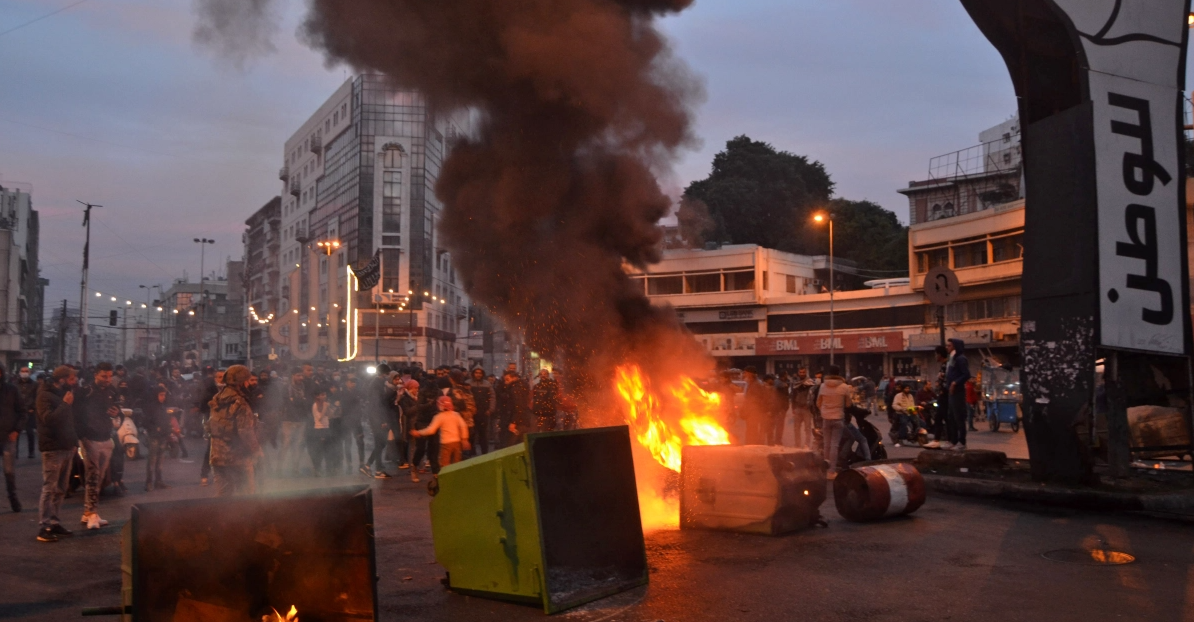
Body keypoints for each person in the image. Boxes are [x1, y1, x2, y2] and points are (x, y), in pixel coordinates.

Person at [35, 366, 78, 542]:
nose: (74, 382)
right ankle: (44, 527)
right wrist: (65, 404)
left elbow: (69, 420)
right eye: (71, 379)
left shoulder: (63, 393)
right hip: (53, 448)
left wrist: (74, 442)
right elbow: (49, 419)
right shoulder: (44, 395)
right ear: (61, 379)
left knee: (61, 489)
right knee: (50, 488)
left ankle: (54, 522)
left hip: (67, 446)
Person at [206, 365, 262, 496]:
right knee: (246, 497)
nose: (249, 383)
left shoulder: (217, 399)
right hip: (237, 458)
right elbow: (245, 432)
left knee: (223, 497)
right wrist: (256, 450)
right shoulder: (240, 403)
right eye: (247, 380)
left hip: (217, 456)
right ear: (241, 382)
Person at [77, 362, 119, 529]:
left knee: (99, 478)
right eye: (104, 376)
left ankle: (88, 512)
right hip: (90, 439)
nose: (107, 380)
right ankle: (92, 513)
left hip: (106, 438)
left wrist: (117, 414)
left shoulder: (112, 391)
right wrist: (81, 436)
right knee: (93, 476)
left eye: (109, 376)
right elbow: (77, 415)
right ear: (96, 375)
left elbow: (118, 412)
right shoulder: (85, 392)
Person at [411, 396, 471, 470]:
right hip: (457, 443)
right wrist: (465, 439)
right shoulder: (456, 415)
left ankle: (445, 480)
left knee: (444, 465)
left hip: (446, 444)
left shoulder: (439, 417)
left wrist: (419, 432)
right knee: (457, 464)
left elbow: (431, 430)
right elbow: (463, 426)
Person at [0, 364, 27, 512]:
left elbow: (22, 412)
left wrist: (17, 430)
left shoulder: (11, 390)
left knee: (9, 472)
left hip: (8, 437)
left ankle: (13, 500)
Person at [815, 365, 852, 473]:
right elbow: (849, 404)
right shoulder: (844, 387)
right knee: (834, 445)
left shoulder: (823, 386)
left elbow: (818, 403)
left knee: (826, 444)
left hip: (826, 418)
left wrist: (825, 409)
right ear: (839, 373)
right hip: (838, 418)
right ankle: (832, 470)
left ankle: (825, 469)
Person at [142, 387, 172, 491]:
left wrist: (168, 430)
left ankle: (158, 481)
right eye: (161, 395)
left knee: (160, 461)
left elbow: (166, 420)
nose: (163, 397)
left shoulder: (163, 406)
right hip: (154, 437)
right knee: (152, 461)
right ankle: (149, 482)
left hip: (163, 437)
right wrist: (155, 429)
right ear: (156, 395)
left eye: (164, 395)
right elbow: (145, 422)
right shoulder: (150, 407)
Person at [279, 371, 309, 477]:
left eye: (301, 375)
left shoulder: (304, 387)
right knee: (286, 444)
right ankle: (279, 468)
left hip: (301, 419)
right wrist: (298, 401)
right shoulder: (286, 388)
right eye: (298, 375)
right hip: (288, 419)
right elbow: (287, 402)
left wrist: (297, 401)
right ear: (292, 376)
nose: (300, 377)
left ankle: (295, 468)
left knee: (297, 445)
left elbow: (305, 402)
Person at [945, 338, 972, 451]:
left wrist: (955, 383)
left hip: (958, 392)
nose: (947, 347)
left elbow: (966, 374)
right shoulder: (952, 358)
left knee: (959, 417)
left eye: (950, 345)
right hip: (951, 392)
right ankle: (954, 441)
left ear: (955, 347)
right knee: (951, 417)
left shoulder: (960, 359)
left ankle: (962, 442)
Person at [495, 370, 532, 448]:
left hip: (518, 422)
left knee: (510, 446)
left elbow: (518, 406)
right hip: (523, 421)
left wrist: (514, 422)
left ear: (514, 378)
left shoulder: (515, 389)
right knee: (521, 445)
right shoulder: (521, 386)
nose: (505, 382)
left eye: (507, 379)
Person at [307, 388, 335, 476]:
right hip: (319, 429)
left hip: (326, 428)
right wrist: (325, 407)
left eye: (325, 395)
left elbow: (330, 416)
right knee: (319, 451)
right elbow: (320, 418)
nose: (324, 396)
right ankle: (317, 469)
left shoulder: (325, 404)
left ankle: (329, 469)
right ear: (317, 396)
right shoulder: (315, 405)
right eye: (322, 395)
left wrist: (329, 408)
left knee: (328, 450)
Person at [740, 366, 770, 445]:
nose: (744, 375)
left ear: (750, 374)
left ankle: (752, 445)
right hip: (750, 412)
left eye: (745, 373)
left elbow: (757, 400)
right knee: (750, 429)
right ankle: (750, 444)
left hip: (754, 412)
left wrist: (751, 409)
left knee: (752, 430)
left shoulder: (756, 384)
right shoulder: (751, 384)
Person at [468, 368, 495, 455]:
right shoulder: (468, 383)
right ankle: (472, 452)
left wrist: (490, 409)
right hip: (472, 414)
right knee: (471, 434)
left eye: (480, 373)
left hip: (484, 413)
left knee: (483, 434)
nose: (478, 375)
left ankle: (485, 453)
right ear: (473, 373)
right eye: (476, 373)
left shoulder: (487, 384)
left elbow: (492, 397)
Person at [17, 367, 38, 459]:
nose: (24, 373)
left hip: (29, 411)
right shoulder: (15, 384)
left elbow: (37, 397)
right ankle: (15, 452)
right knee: (16, 431)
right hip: (18, 411)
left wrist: (33, 407)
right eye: (23, 371)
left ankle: (31, 451)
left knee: (30, 432)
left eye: (26, 371)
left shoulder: (34, 384)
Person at [790, 369, 814, 449]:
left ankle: (807, 444)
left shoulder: (810, 383)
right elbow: (793, 396)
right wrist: (793, 408)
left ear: (806, 373)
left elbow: (812, 396)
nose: (802, 374)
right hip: (797, 408)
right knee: (796, 428)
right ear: (798, 373)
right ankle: (797, 444)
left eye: (803, 372)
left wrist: (810, 406)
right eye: (800, 372)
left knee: (807, 428)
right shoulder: (795, 383)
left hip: (806, 409)